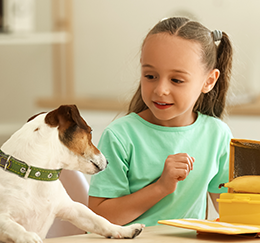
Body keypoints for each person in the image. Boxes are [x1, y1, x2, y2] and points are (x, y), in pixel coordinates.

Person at [88, 16, 233, 227]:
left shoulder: (217, 135)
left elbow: (231, 211)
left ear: (209, 81)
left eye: (176, 80)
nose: (160, 89)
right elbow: (99, 218)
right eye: (150, 76)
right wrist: (161, 187)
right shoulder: (120, 136)